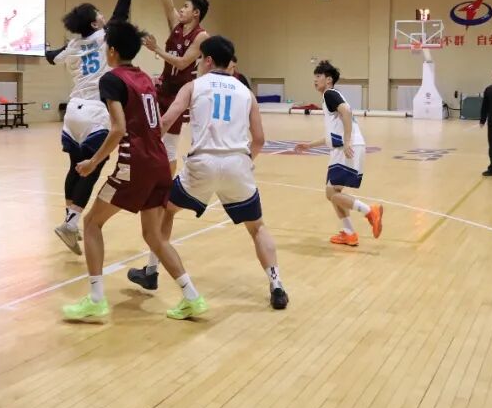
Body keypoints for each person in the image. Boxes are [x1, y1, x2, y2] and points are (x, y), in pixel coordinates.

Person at [61, 20, 206, 322]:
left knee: (91, 224)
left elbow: (118, 129)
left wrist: (92, 162)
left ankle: (96, 299)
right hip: (159, 163)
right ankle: (192, 297)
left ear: (112, 51)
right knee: (154, 236)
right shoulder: (144, 79)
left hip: (134, 164)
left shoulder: (111, 79)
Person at [136, 35, 288, 309]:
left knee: (167, 209)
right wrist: (246, 162)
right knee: (257, 227)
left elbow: (166, 121)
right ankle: (276, 285)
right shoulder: (246, 93)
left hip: (202, 164)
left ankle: (152, 269)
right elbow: (259, 140)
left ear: (207, 60)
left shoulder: (193, 86)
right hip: (237, 165)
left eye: (198, 60)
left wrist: (146, 147)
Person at [47, 0, 154, 252]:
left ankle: (68, 218)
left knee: (74, 166)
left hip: (73, 112)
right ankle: (71, 223)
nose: (104, 16)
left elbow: (51, 57)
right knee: (92, 167)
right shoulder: (107, 36)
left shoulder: (72, 46)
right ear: (96, 24)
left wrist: (48, 47)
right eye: (99, 14)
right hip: (96, 111)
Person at [294, 60, 384, 246]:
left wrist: (347, 140)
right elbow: (332, 134)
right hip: (344, 147)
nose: (315, 80)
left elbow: (346, 112)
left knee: (332, 193)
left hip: (347, 147)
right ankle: (349, 233)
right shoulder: (330, 97)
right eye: (314, 77)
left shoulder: (330, 94)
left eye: (318, 76)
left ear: (328, 80)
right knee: (332, 192)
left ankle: (370, 211)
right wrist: (309, 145)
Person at [142, 0, 209, 173]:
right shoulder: (176, 25)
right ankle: (152, 178)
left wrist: (157, 50)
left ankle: (167, 186)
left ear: (196, 13)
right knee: (151, 137)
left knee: (169, 146)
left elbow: (182, 63)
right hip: (162, 88)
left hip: (180, 94)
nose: (181, 9)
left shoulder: (201, 36)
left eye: (186, 7)